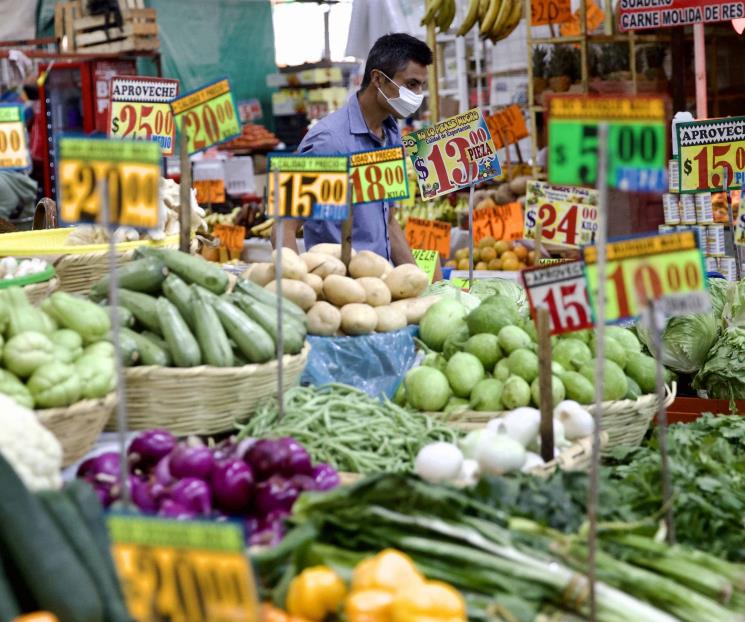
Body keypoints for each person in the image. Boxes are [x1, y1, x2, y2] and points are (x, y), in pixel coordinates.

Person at [275, 33, 436, 275]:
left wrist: (415, 279)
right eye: (411, 84)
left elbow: (389, 222)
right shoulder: (327, 142)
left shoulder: (391, 136)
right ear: (378, 79)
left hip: (380, 288)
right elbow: (282, 228)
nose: (418, 95)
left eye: (422, 86)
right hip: (339, 293)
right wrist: (299, 286)